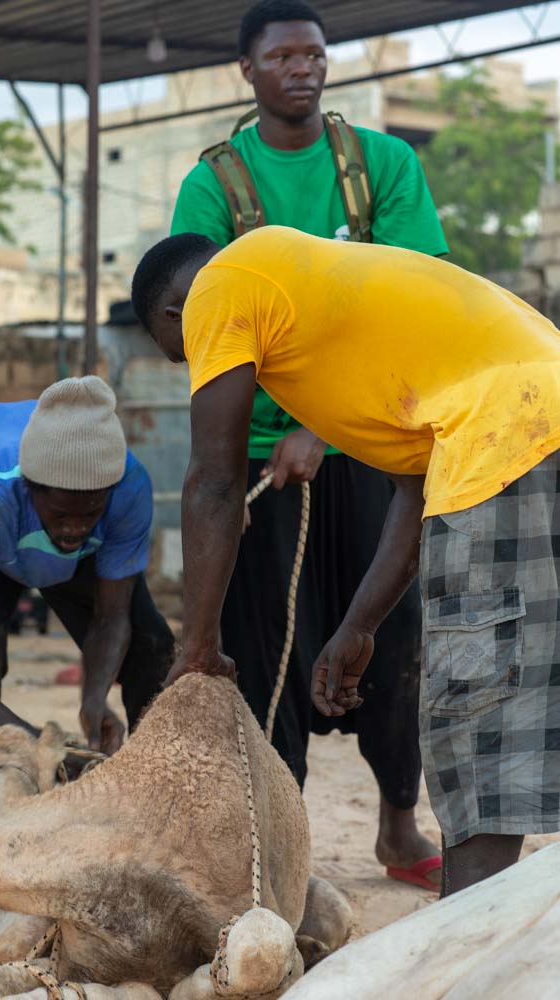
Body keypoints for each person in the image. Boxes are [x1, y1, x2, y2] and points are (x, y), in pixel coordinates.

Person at [130, 225, 560, 895]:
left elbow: (212, 481)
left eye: (181, 354)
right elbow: (415, 488)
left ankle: (458, 954)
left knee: (476, 711)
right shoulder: (317, 313)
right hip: (531, 420)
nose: (198, 365)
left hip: (510, 436)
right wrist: (360, 624)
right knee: (515, 699)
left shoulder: (220, 285)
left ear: (173, 314)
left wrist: (197, 647)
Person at [170, 0, 448, 889]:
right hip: (257, 448)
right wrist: (276, 432)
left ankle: (398, 823)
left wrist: (319, 426)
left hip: (368, 437)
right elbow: (198, 308)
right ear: (246, 73)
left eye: (314, 54)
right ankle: (280, 841)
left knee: (391, 633)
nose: (303, 67)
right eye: (282, 55)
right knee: (268, 647)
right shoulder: (213, 184)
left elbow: (416, 296)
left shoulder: (383, 165)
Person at [0, 375, 174, 832]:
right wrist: (35, 744)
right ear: (30, 488)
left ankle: (150, 805)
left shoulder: (128, 486)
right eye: (60, 515)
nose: (74, 530)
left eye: (89, 514)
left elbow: (112, 615)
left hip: (36, 524)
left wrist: (94, 700)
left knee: (152, 645)